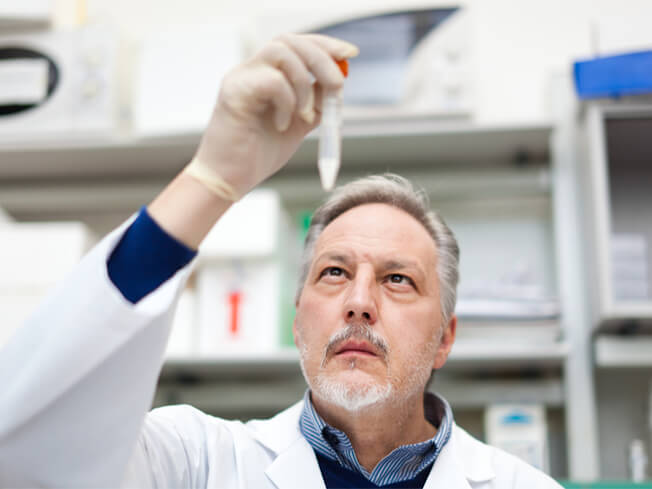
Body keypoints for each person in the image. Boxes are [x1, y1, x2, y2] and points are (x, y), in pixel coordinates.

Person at [0, 34, 562, 488]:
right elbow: (32, 443)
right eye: (334, 273)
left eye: (396, 280)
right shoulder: (191, 463)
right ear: (297, 320)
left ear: (445, 337)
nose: (359, 303)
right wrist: (211, 178)